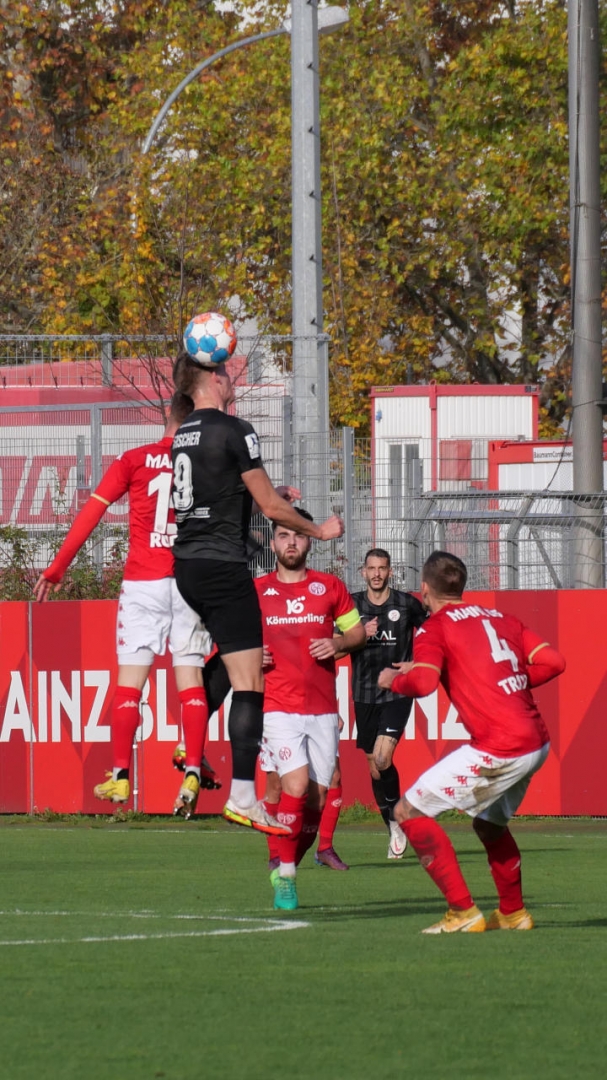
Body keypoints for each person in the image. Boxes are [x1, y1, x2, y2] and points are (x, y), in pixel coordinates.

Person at [171, 348, 344, 837]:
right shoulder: (235, 428)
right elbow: (270, 507)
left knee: (231, 665)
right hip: (224, 568)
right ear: (208, 377)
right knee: (251, 684)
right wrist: (319, 529)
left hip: (187, 567)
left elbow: (220, 490)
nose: (230, 377)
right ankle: (243, 795)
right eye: (223, 370)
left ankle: (190, 748)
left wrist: (265, 495)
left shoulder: (182, 434)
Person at [33, 393, 215, 819]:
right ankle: (191, 768)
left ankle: (120, 774)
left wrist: (59, 566)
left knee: (130, 683)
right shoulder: (205, 464)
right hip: (187, 581)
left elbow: (91, 513)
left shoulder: (133, 460)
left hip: (143, 584)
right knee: (189, 677)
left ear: (166, 416)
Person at [378, 550, 565, 935]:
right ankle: (513, 914)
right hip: (536, 741)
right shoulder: (501, 618)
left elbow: (425, 683)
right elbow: (553, 662)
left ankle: (462, 912)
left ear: (424, 590)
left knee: (408, 812)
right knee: (489, 827)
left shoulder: (434, 628)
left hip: (502, 744)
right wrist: (506, 681)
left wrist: (392, 680)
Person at [254, 509, 365, 910]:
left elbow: (356, 633)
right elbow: (231, 641)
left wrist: (338, 644)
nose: (291, 543)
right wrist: (253, 655)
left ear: (310, 541)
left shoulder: (329, 587)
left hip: (321, 710)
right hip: (277, 707)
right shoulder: (257, 591)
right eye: (283, 535)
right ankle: (286, 876)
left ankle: (284, 860)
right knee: (294, 786)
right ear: (272, 544)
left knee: (318, 799)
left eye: (298, 536)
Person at [348, 548, 425, 859]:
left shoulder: (406, 604)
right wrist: (357, 637)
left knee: (382, 758)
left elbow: (436, 631)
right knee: (375, 768)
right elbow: (335, 646)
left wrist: (417, 664)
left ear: (391, 572)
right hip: (363, 694)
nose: (377, 573)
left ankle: (399, 817)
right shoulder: (351, 605)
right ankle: (393, 823)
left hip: (397, 690)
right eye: (371, 568)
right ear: (363, 572)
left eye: (382, 568)